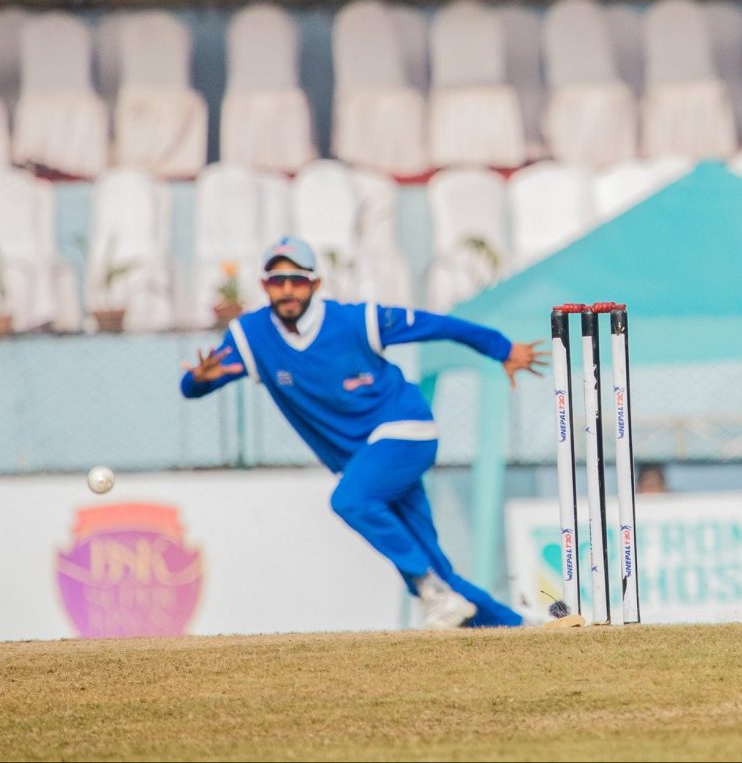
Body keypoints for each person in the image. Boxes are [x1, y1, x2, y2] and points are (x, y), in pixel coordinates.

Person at [180, 237, 548, 629]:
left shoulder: (355, 320)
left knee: (351, 501)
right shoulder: (250, 335)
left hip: (405, 430)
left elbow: (435, 324)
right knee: (438, 570)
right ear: (263, 285)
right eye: (276, 280)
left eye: (297, 279)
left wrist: (502, 348)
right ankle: (522, 627)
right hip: (366, 458)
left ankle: (431, 590)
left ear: (316, 284)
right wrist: (197, 380)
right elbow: (194, 387)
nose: (287, 290)